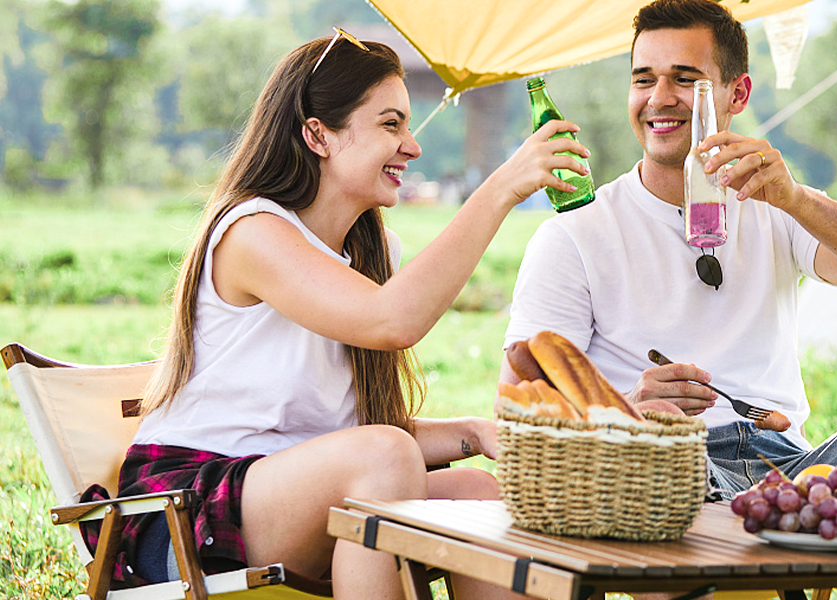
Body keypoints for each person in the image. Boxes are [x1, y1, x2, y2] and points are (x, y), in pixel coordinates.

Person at [81, 30, 589, 598]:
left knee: (479, 495)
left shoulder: (372, 256)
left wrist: (474, 432)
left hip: (288, 494)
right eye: (390, 124)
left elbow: (338, 434)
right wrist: (501, 188)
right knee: (384, 455)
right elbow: (392, 324)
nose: (413, 146)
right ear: (318, 135)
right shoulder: (253, 232)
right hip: (181, 519)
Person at [500, 0, 837, 501]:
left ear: (737, 93)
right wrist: (625, 406)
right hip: (659, 463)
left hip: (790, 469)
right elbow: (516, 405)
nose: (659, 98)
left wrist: (797, 199)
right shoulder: (575, 235)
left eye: (685, 78)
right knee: (659, 423)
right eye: (644, 78)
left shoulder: (778, 205)